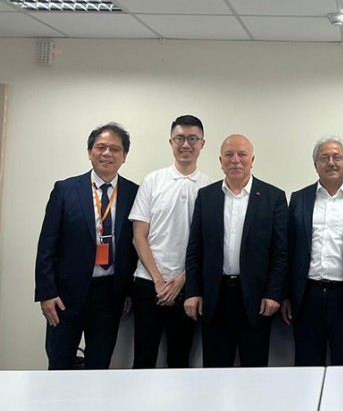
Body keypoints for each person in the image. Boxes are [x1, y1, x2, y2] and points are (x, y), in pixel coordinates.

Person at [35, 123, 138, 370]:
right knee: (59, 365)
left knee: (99, 367)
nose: (107, 153)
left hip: (109, 296)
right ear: (90, 152)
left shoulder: (134, 193)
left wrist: (127, 291)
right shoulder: (65, 190)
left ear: (124, 156)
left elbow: (134, 247)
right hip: (65, 296)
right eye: (101, 147)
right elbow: (47, 246)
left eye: (115, 149)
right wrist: (46, 293)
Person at [184, 134, 287, 367]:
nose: (235, 160)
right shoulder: (206, 196)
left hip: (256, 299)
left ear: (252, 160)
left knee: (254, 370)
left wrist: (274, 293)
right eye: (229, 155)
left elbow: (280, 253)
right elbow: (195, 249)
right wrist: (192, 291)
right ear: (220, 161)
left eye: (242, 154)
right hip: (215, 298)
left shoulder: (273, 198)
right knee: (215, 370)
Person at [282, 135, 343, 366]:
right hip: (307, 297)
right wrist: (285, 294)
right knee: (306, 367)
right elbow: (288, 250)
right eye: (324, 157)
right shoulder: (299, 199)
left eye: (337, 157)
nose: (331, 162)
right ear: (315, 164)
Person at [129, 115, 212, 368]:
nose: (186, 144)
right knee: (143, 358)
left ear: (202, 143)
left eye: (192, 139)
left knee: (180, 359)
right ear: (170, 142)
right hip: (148, 283)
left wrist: (181, 280)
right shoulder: (152, 181)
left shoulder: (210, 187)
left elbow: (209, 244)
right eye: (180, 138)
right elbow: (139, 236)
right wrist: (158, 281)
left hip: (188, 286)